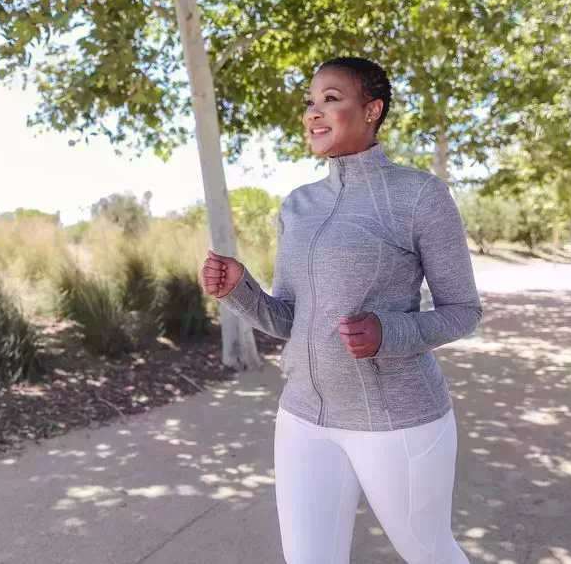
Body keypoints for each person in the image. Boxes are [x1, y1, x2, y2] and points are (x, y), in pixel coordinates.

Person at [200, 56, 481, 564]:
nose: (313, 112)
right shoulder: (297, 205)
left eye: (331, 99)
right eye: (310, 102)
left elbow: (463, 310)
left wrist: (387, 333)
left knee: (430, 553)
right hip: (304, 415)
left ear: (372, 110)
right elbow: (290, 319)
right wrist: (240, 290)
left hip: (398, 420)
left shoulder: (419, 195)